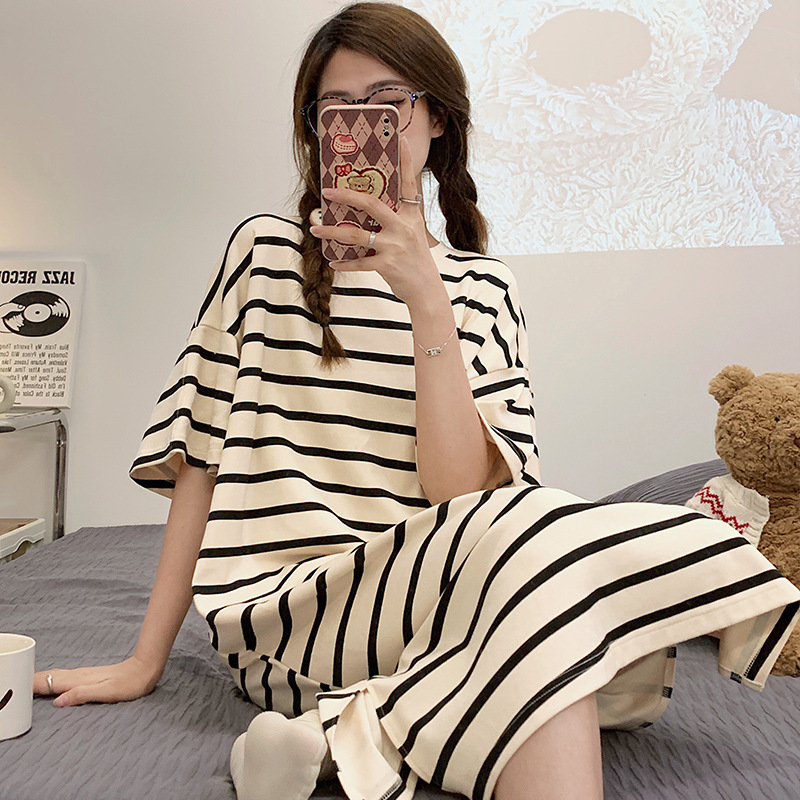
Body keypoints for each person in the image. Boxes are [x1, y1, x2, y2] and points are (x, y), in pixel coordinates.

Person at [34, 4, 800, 800]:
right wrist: (145, 660)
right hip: (288, 620)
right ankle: (368, 723)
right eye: (338, 108)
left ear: (436, 117)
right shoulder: (263, 254)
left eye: (388, 103)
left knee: (540, 569)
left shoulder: (483, 288)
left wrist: (428, 303)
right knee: (571, 615)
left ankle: (342, 736)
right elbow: (200, 458)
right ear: (316, 131)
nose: (364, 126)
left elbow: (460, 496)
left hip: (438, 608)